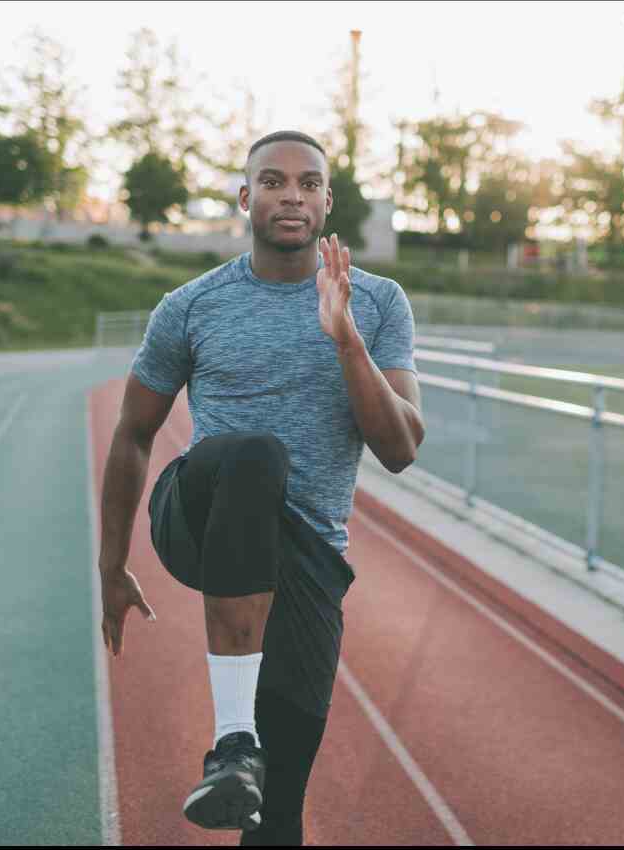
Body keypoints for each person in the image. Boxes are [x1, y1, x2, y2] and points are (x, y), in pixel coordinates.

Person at [96, 129, 424, 845]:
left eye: (308, 183)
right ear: (246, 198)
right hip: (200, 513)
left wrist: (347, 342)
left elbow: (400, 448)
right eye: (273, 182)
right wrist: (111, 566)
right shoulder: (190, 307)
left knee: (276, 811)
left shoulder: (375, 303)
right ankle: (232, 739)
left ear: (327, 202)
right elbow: (132, 433)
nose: (291, 195)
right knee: (254, 458)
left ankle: (247, 770)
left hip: (307, 557)